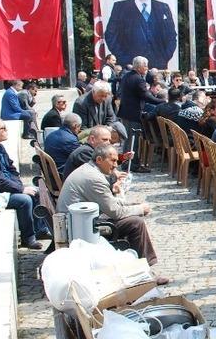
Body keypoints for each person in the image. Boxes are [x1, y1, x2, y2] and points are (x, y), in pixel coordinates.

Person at [57, 144, 168, 284]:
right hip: (80, 228)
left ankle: (143, 268)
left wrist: (131, 205)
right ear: (99, 160)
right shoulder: (94, 178)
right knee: (136, 223)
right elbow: (115, 212)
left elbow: (109, 203)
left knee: (133, 218)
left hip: (79, 220)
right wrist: (140, 209)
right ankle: (145, 272)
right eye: (113, 161)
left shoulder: (90, 170)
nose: (116, 165)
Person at [0, 117, 50, 249]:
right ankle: (28, 238)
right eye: (3, 128)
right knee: (24, 200)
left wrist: (19, 184)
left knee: (38, 192)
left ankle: (40, 229)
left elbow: (11, 168)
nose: (6, 131)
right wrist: (20, 189)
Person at [104, 0, 177, 69]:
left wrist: (164, 57)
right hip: (131, 67)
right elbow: (110, 35)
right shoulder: (120, 7)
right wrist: (124, 59)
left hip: (158, 67)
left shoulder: (163, 7)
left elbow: (171, 36)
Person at [118, 56, 164, 172]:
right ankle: (132, 164)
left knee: (128, 140)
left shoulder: (126, 76)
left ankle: (126, 162)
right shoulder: (138, 79)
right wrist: (162, 101)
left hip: (126, 112)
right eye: (145, 66)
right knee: (133, 140)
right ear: (139, 67)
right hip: (133, 113)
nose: (147, 68)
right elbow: (146, 96)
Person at [62, 125, 132, 181]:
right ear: (92, 139)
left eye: (109, 140)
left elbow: (106, 163)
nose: (108, 143)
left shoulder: (91, 150)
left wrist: (123, 158)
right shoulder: (85, 152)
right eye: (104, 140)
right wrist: (116, 177)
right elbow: (100, 175)